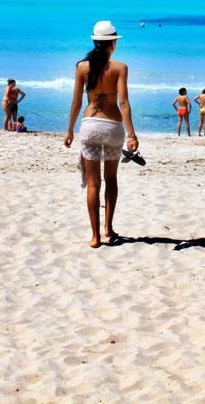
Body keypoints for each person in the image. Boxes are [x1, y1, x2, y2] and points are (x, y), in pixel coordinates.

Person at [65, 20, 139, 248]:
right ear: (113, 43)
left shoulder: (81, 67)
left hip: (90, 125)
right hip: (112, 126)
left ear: (95, 41)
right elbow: (124, 102)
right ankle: (108, 227)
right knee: (111, 179)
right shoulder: (120, 67)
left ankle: (95, 237)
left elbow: (77, 102)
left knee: (92, 183)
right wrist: (131, 134)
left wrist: (69, 130)